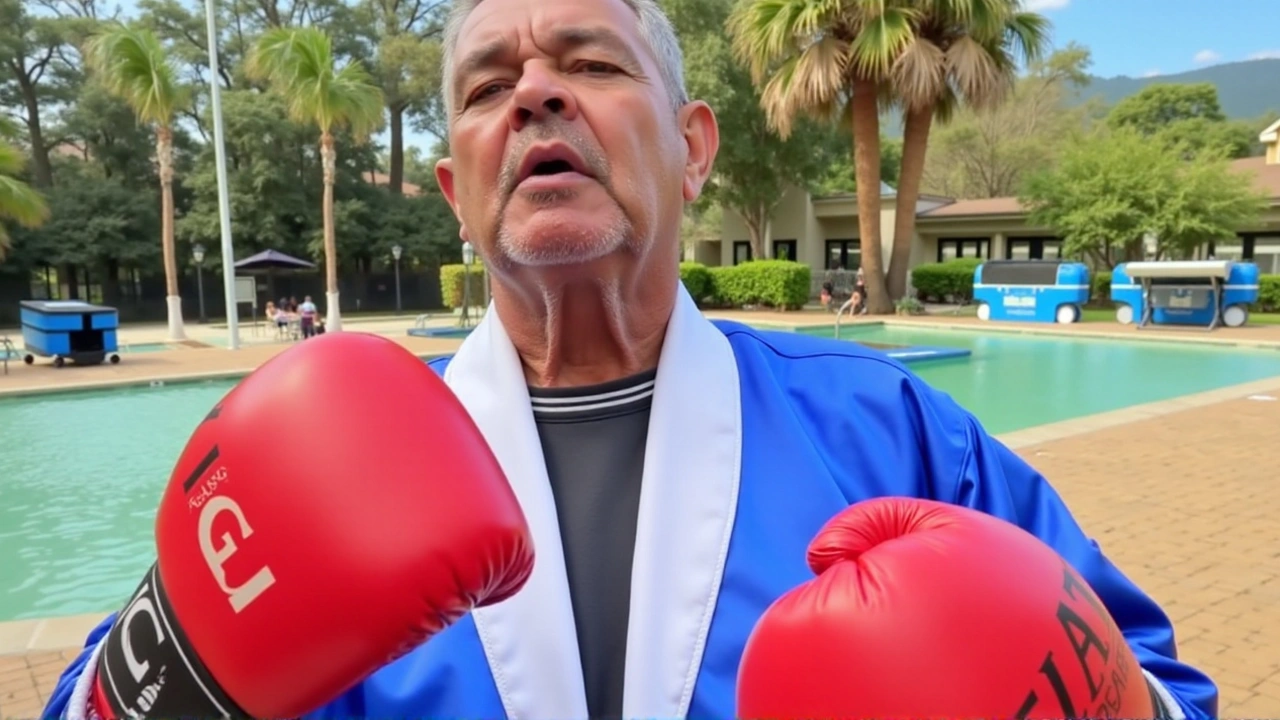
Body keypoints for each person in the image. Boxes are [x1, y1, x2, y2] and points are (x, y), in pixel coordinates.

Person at [45, 0, 1217, 718]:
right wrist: (181, 679)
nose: (536, 93)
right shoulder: (307, 476)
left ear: (693, 147)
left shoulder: (895, 435)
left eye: (590, 65)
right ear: (455, 190)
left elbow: (1166, 686)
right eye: (487, 87)